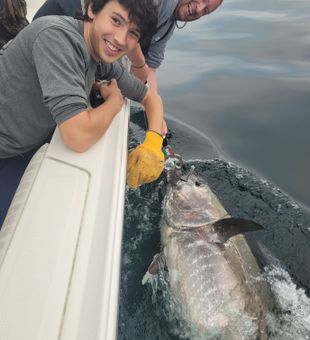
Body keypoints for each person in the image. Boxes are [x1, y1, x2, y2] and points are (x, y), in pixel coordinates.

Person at [0, 0, 165, 226]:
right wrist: (114, 102)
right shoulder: (57, 38)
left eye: (132, 33)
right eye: (116, 21)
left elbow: (150, 98)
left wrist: (153, 144)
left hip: (22, 145)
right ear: (92, 10)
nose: (120, 39)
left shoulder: (98, 56)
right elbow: (77, 137)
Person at [33, 0, 223, 92]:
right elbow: (125, 30)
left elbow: (152, 71)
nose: (199, 8)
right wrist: (140, 67)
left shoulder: (167, 26)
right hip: (64, 16)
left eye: (206, 10)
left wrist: (155, 112)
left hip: (87, 46)